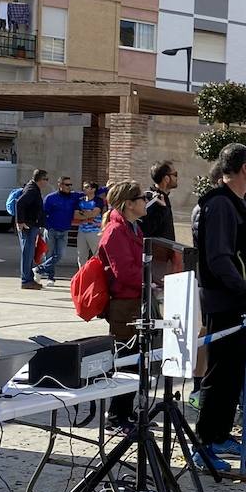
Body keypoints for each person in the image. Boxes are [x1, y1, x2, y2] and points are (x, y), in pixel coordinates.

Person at [192, 144, 246, 473]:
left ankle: (221, 435)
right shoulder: (220, 205)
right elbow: (219, 259)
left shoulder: (235, 203)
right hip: (226, 303)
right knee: (219, 375)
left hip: (238, 305)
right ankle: (204, 444)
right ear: (244, 168)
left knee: (232, 376)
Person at [98, 180, 147, 428]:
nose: (146, 202)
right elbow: (125, 272)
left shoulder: (133, 227)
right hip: (124, 304)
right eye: (141, 198)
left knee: (135, 360)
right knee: (124, 359)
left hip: (135, 301)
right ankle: (117, 416)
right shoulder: (116, 231)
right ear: (129, 204)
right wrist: (151, 280)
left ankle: (127, 412)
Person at [38, 175, 80, 284]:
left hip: (64, 230)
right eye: (67, 185)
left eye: (70, 185)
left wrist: (107, 188)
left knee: (60, 254)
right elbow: (43, 213)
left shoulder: (73, 197)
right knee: (49, 254)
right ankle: (50, 277)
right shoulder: (50, 198)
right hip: (51, 230)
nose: (69, 187)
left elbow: (90, 191)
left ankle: (39, 269)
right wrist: (46, 226)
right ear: (60, 185)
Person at [14, 168, 48, 290]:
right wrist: (20, 222)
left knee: (29, 253)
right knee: (27, 253)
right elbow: (20, 203)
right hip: (28, 226)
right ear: (41, 179)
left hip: (31, 225)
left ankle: (28, 278)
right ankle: (26, 280)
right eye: (46, 179)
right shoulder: (32, 190)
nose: (47, 182)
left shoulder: (33, 188)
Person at [74, 182, 104, 267]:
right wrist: (88, 214)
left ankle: (98, 276)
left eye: (87, 187)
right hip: (82, 231)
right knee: (81, 255)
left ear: (93, 189)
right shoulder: (80, 200)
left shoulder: (98, 200)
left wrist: (82, 214)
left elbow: (95, 213)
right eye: (83, 187)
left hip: (94, 231)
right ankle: (82, 276)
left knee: (97, 254)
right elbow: (76, 215)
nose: (84, 189)